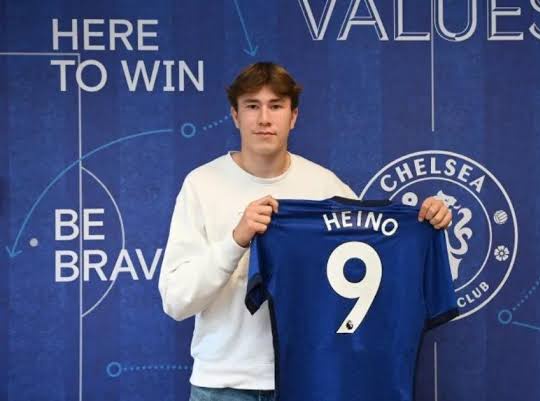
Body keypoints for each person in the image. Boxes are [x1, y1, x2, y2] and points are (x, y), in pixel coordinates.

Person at [158, 62, 452, 401]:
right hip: (224, 385)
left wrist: (426, 221)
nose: (264, 118)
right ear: (235, 116)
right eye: (252, 106)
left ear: (293, 116)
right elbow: (176, 301)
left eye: (276, 106)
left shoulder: (324, 186)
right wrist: (236, 240)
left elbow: (378, 256)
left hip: (311, 380)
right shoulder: (201, 185)